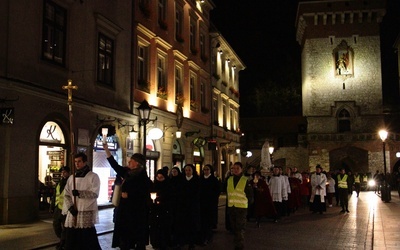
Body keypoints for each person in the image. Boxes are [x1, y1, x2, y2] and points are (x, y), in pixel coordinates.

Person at [103, 143, 152, 250]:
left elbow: (144, 194)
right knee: (124, 240)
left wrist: (130, 195)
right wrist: (106, 149)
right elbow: (114, 165)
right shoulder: (127, 172)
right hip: (125, 211)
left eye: (132, 160)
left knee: (137, 240)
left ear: (137, 164)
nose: (129, 161)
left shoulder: (143, 178)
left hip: (137, 214)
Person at [62, 152, 101, 250]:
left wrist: (80, 193)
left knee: (87, 241)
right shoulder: (71, 178)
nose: (77, 164)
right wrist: (70, 207)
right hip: (73, 212)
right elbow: (66, 194)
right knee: (71, 240)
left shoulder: (93, 176)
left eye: (79, 161)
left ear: (85, 162)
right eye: (75, 162)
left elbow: (95, 193)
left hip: (85, 211)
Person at [226, 161, 254, 250]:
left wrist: (247, 205)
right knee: (234, 228)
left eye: (237, 168)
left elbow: (250, 196)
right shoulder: (229, 179)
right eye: (234, 168)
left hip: (241, 208)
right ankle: (236, 243)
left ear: (241, 169)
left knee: (240, 228)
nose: (235, 170)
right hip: (232, 207)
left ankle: (239, 246)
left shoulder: (245, 180)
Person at [175, 164, 201, 250]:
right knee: (182, 224)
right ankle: (182, 241)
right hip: (183, 207)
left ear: (192, 171)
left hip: (193, 207)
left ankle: (191, 242)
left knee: (192, 224)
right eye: (186, 170)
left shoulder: (197, 180)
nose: (188, 172)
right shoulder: (181, 180)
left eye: (189, 170)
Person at [149, 169, 172, 250]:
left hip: (164, 210)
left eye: (161, 178)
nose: (159, 179)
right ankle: (155, 242)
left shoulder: (168, 185)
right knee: (155, 227)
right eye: (158, 177)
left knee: (163, 227)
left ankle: (164, 243)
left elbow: (170, 197)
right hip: (154, 210)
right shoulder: (154, 185)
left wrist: (161, 199)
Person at [199, 164, 221, 245]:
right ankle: (202, 237)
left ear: (210, 170)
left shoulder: (214, 180)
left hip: (210, 204)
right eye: (204, 169)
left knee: (209, 223)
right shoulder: (200, 179)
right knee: (202, 222)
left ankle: (208, 238)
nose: (206, 171)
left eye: (207, 169)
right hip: (202, 204)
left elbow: (217, 191)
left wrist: (213, 199)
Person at [50, 166, 70, 250]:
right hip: (58, 208)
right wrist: (52, 206)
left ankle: (63, 243)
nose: (63, 174)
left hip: (67, 208)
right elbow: (55, 195)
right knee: (56, 225)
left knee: (66, 227)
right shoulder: (59, 183)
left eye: (64, 172)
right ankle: (62, 240)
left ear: (68, 172)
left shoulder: (70, 182)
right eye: (62, 172)